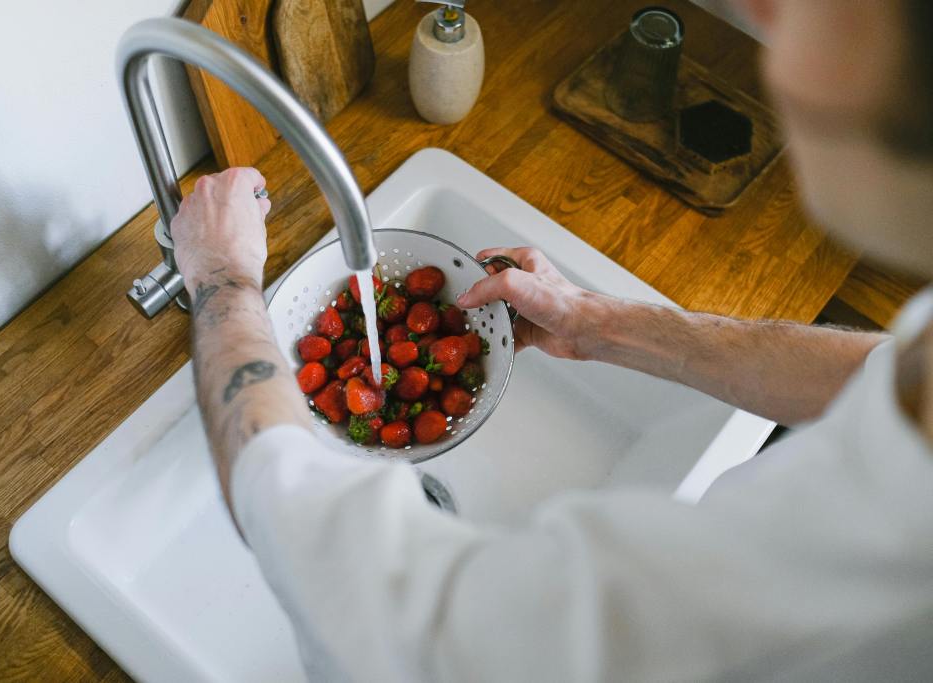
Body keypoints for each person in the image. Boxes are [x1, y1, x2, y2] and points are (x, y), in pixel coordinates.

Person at [169, 0, 933, 679]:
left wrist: (224, 280)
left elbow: (387, 618)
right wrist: (599, 322)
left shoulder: (866, 567)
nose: (759, 8)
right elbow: (884, 374)